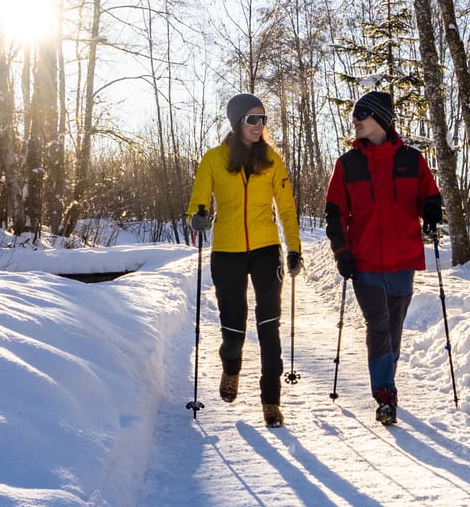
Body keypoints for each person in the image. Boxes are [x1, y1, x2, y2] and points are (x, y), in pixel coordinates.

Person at [325, 89, 441, 426]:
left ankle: (385, 384)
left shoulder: (412, 160)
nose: (355, 121)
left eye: (361, 115)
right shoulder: (347, 164)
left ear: (380, 119)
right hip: (364, 264)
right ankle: (385, 394)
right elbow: (334, 214)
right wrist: (341, 252)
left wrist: (432, 207)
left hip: (403, 259)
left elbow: (428, 195)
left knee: (393, 327)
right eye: (355, 116)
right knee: (378, 327)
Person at [187, 93, 303, 428]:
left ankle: (271, 401)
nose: (259, 125)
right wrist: (198, 216)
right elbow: (198, 200)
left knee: (270, 327)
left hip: (266, 249)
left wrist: (293, 248)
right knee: (234, 327)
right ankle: (231, 366)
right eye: (252, 119)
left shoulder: (272, 160)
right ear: (237, 122)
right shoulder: (214, 159)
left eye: (263, 119)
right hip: (227, 251)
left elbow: (287, 208)